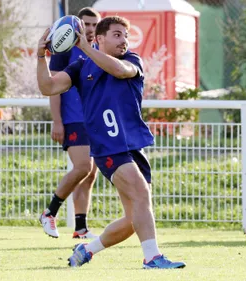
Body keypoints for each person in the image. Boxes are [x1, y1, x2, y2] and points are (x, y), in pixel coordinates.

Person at [37, 16, 186, 269]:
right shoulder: (80, 67)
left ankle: (87, 249)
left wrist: (84, 47)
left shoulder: (131, 60)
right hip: (108, 147)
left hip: (132, 146)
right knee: (140, 193)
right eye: (117, 35)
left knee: (133, 219)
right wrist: (40, 57)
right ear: (99, 39)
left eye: (126, 35)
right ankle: (152, 258)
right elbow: (48, 87)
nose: (124, 40)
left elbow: (119, 70)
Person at [39, 7, 101, 239]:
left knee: (90, 174)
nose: (91, 29)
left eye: (95, 25)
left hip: (93, 119)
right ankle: (49, 212)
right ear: (77, 26)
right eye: (86, 24)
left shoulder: (97, 49)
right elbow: (53, 87)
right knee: (83, 167)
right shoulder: (63, 49)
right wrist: (57, 121)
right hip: (73, 119)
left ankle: (81, 229)